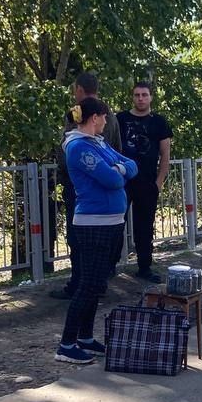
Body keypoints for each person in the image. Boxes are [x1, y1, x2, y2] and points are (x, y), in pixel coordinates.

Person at [55, 97, 138, 365]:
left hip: (111, 220)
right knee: (88, 284)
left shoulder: (98, 143)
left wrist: (119, 168)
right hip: (94, 222)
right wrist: (119, 171)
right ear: (94, 118)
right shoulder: (78, 147)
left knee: (97, 284)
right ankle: (66, 344)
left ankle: (86, 336)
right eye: (104, 116)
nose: (106, 121)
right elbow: (112, 180)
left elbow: (131, 164)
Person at [52, 73, 121, 300]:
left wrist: (65, 175)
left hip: (81, 189)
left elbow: (65, 149)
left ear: (79, 89)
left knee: (78, 238)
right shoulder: (110, 115)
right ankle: (99, 281)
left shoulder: (77, 114)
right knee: (103, 240)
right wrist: (118, 171)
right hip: (108, 188)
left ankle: (79, 285)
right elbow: (118, 150)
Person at [118, 81, 173, 284]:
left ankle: (144, 267)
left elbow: (165, 153)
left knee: (144, 227)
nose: (140, 98)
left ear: (151, 97)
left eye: (144, 95)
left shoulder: (159, 122)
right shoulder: (120, 119)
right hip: (121, 183)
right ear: (132, 97)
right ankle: (107, 268)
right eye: (137, 95)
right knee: (115, 224)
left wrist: (159, 182)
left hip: (147, 183)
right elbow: (110, 147)